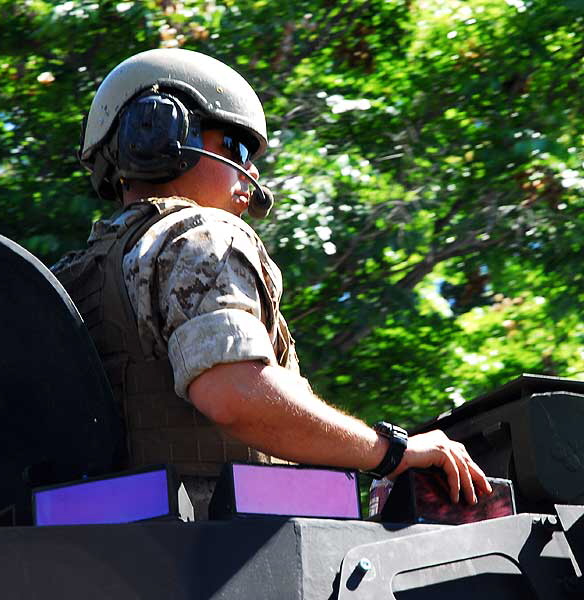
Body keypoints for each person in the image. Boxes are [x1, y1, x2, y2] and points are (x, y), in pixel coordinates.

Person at [53, 48, 491, 518]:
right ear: (161, 133)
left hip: (102, 551)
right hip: (217, 556)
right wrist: (391, 451)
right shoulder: (203, 235)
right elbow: (235, 394)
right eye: (236, 150)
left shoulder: (72, 276)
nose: (253, 173)